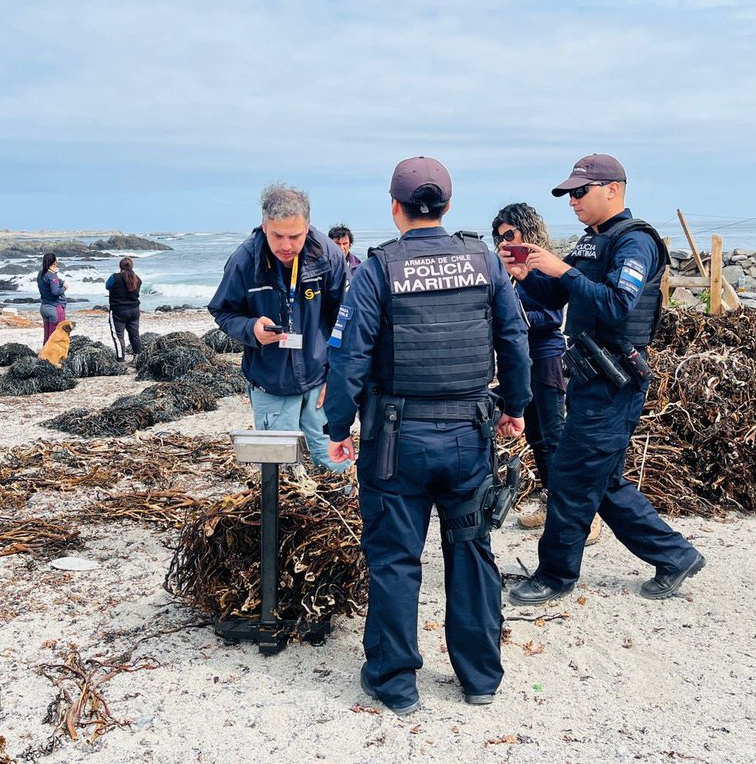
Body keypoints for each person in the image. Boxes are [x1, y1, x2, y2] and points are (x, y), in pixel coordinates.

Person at [325, 156, 531, 715]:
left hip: (396, 443)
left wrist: (338, 427)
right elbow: (514, 340)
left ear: (395, 207)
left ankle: (395, 682)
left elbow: (349, 356)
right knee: (471, 550)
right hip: (468, 437)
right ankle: (480, 678)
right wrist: (515, 407)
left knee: (395, 558)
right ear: (447, 205)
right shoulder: (483, 261)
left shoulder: (377, 270)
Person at [503, 154, 705, 606]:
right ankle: (676, 555)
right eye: (569, 194)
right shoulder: (590, 241)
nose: (572, 201)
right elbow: (556, 295)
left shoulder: (635, 241)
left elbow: (617, 304)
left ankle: (555, 576)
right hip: (589, 373)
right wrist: (527, 275)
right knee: (603, 480)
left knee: (571, 476)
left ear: (612, 189)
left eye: (580, 192)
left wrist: (562, 269)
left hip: (615, 378)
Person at [209, 183, 347, 469]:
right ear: (264, 226)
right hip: (270, 383)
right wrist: (251, 329)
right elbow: (222, 311)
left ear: (307, 226)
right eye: (277, 236)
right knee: (278, 470)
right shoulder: (245, 260)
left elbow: (345, 319)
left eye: (295, 236)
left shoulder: (329, 255)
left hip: (319, 378)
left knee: (334, 464)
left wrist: (337, 374)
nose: (286, 246)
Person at [489, 203, 599, 538]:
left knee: (555, 435)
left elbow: (552, 316)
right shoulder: (507, 270)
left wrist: (513, 317)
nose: (505, 242)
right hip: (521, 359)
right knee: (536, 434)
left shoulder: (544, 264)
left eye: (510, 234)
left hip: (548, 357)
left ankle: (583, 515)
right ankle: (552, 502)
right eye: (499, 237)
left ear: (527, 231)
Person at [106, 257, 143, 362]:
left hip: (118, 311)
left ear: (120, 266)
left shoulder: (114, 277)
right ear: (132, 266)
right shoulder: (137, 279)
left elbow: (107, 286)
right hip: (134, 310)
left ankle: (121, 359)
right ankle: (138, 358)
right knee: (134, 334)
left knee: (118, 336)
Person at [37, 253, 68, 343]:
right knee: (56, 337)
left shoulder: (41, 273)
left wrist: (60, 281)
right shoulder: (51, 275)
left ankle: (45, 351)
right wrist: (64, 288)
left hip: (44, 307)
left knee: (47, 337)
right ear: (54, 262)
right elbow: (55, 292)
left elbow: (49, 283)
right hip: (54, 308)